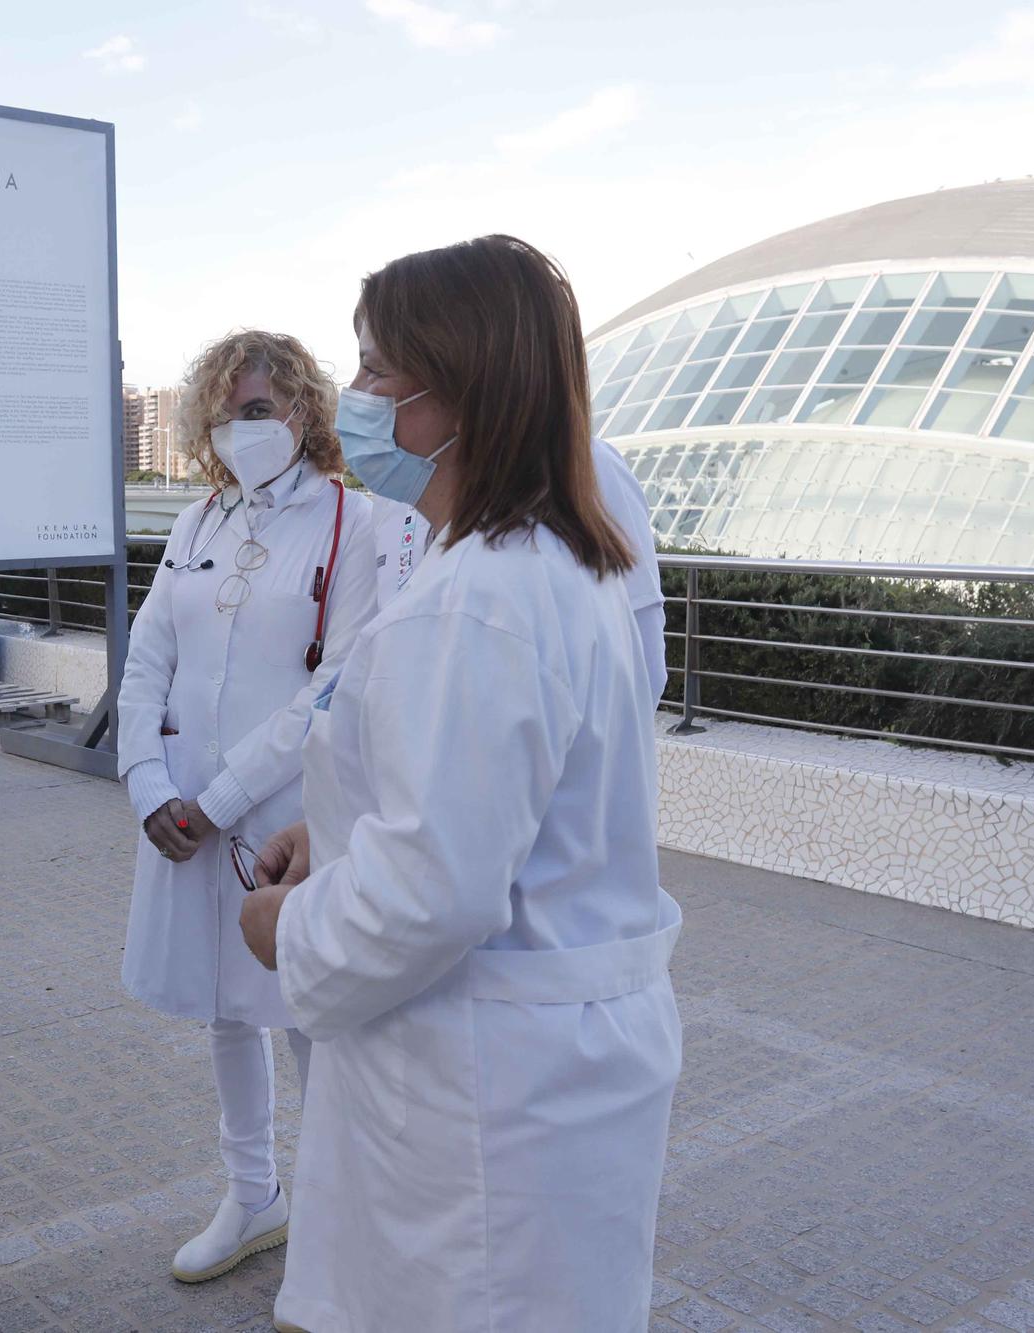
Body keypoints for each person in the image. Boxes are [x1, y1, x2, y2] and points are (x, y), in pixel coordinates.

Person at [239, 235, 684, 1333]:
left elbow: (432, 892)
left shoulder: (479, 597)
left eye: (380, 372)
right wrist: (333, 831)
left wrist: (284, 929)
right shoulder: (542, 563)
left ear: (460, 395)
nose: (356, 399)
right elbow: (480, 801)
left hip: (483, 1100)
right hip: (537, 1074)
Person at [117, 331, 378, 1283]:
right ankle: (253, 1193)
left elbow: (339, 681)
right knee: (227, 1010)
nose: (242, 428)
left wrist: (220, 798)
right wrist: (149, 784)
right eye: (227, 413)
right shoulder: (197, 525)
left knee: (309, 1005)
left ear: (304, 410)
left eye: (260, 408)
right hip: (183, 812)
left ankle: (341, 1222)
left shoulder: (358, 523)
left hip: (285, 813)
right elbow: (148, 664)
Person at [372, 439, 669, 696]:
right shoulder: (393, 493)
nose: (359, 391)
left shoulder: (590, 465)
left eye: (378, 373)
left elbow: (644, 664)